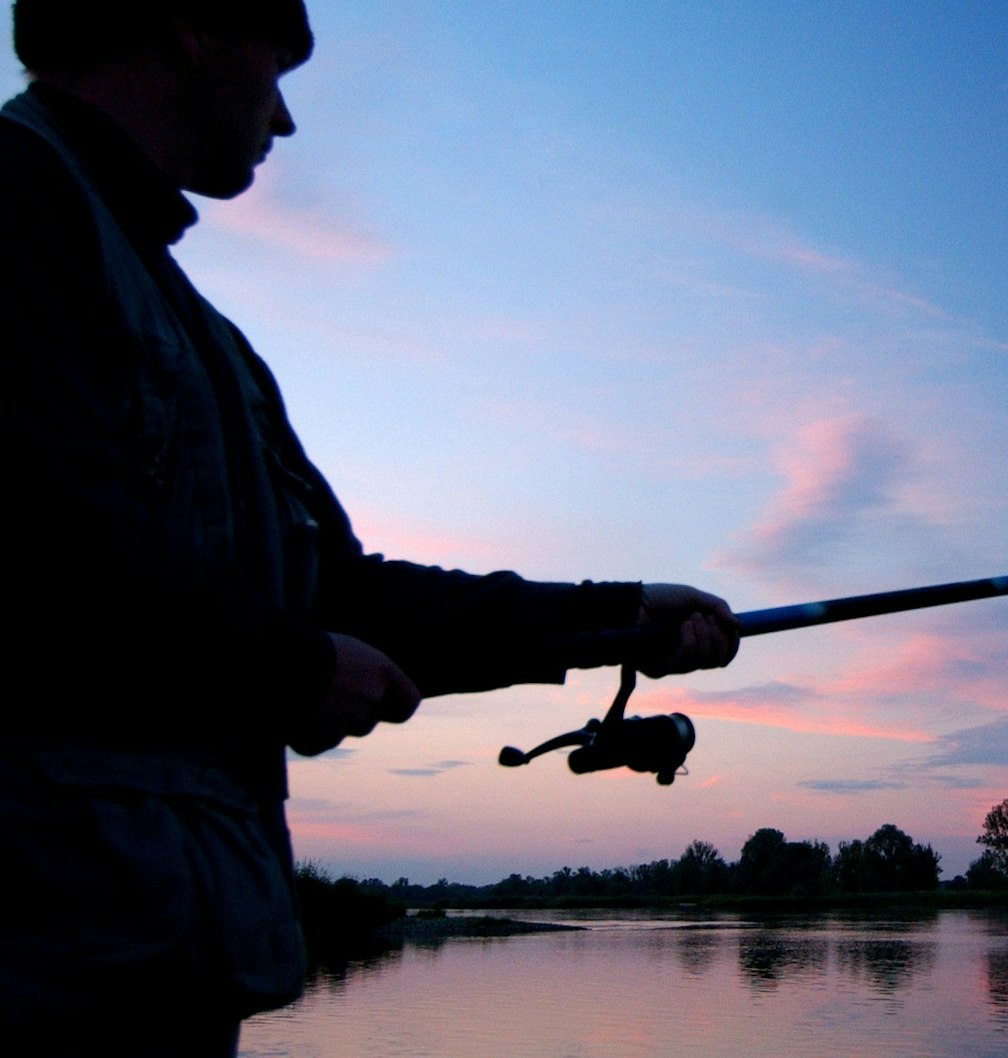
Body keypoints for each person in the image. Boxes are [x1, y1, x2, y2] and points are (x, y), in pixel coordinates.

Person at [0, 1, 740, 1050]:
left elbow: (342, 596)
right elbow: (40, 550)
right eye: (280, 60)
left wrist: (622, 613)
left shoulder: (203, 332)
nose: (288, 118)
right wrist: (291, 667)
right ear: (189, 24)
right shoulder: (14, 199)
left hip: (142, 961)